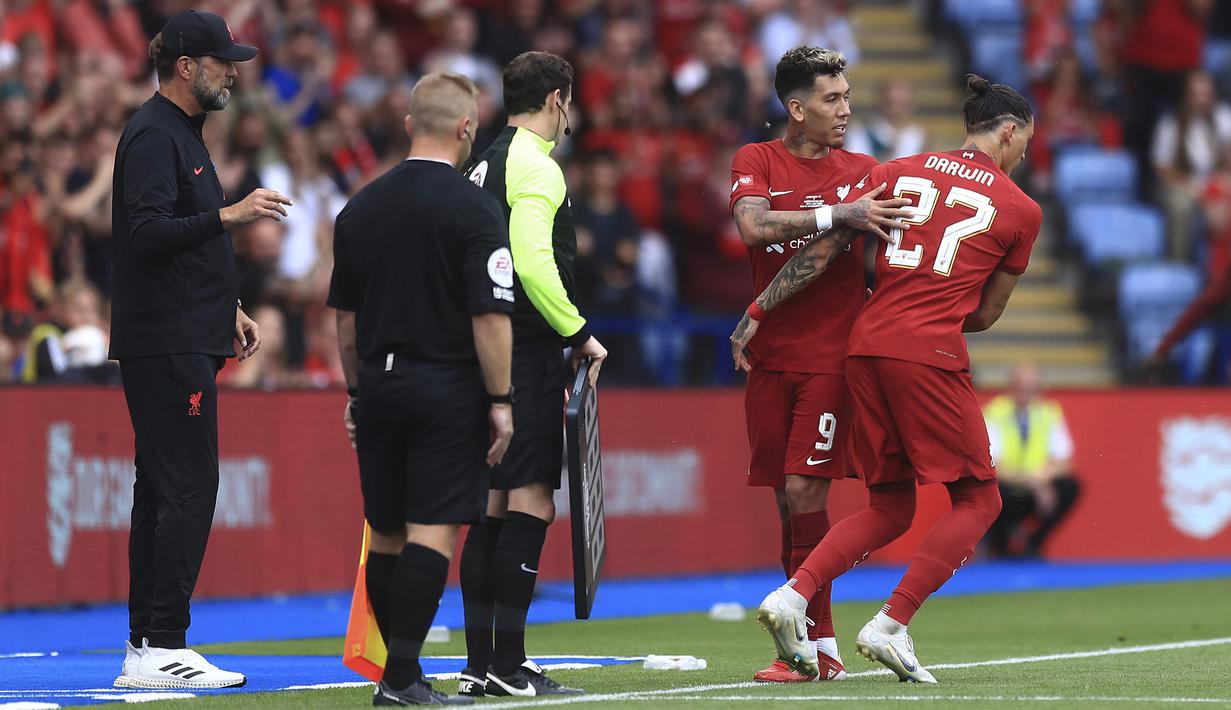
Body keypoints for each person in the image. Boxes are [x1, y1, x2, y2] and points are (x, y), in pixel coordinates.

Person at [735, 74, 1041, 683]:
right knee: (980, 498)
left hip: (863, 347)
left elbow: (824, 251)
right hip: (927, 353)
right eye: (1025, 142)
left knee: (892, 504)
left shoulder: (896, 171)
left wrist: (759, 310)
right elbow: (984, 313)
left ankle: (793, 595)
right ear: (1008, 132)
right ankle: (891, 623)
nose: (1024, 154)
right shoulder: (1021, 209)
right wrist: (936, 307)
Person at [110, 10, 293, 690]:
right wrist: (233, 214)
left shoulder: (176, 133)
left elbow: (173, 244)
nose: (233, 70)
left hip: (181, 329)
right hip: (166, 338)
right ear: (186, 66)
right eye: (222, 61)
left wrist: (230, 306)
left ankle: (147, 645)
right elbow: (148, 231)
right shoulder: (157, 133)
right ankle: (163, 642)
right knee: (187, 484)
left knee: (162, 487)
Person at [328, 72, 515, 707]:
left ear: (410, 125)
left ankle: (399, 673)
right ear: (467, 128)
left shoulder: (360, 206)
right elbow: (489, 315)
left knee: (384, 530)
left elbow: (345, 320)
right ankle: (402, 678)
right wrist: (502, 400)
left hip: (378, 384)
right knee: (433, 529)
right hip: (446, 384)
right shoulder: (475, 208)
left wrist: (358, 392)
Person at [727, 45, 912, 684]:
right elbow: (753, 228)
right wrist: (840, 213)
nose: (846, 109)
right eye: (832, 99)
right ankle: (805, 649)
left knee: (807, 491)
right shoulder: (757, 160)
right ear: (796, 108)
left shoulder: (863, 169)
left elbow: (830, 249)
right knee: (787, 502)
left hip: (834, 356)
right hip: (772, 356)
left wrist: (756, 304)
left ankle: (821, 649)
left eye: (848, 96)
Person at [457, 50, 604, 698]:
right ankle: (509, 666)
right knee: (531, 502)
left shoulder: (481, 162)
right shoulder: (535, 166)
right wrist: (578, 333)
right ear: (556, 100)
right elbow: (532, 263)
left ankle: (479, 662)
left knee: (489, 510)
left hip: (479, 350)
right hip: (526, 351)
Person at [983, 364, 1081, 559]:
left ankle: (1033, 543)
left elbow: (1065, 462)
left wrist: (1040, 480)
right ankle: (1000, 547)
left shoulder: (1048, 412)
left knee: (1070, 487)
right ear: (1011, 386)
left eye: (1030, 388)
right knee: (993, 491)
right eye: (1020, 387)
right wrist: (1033, 483)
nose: (1025, 393)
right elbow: (993, 465)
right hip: (1008, 487)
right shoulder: (995, 412)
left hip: (1036, 486)